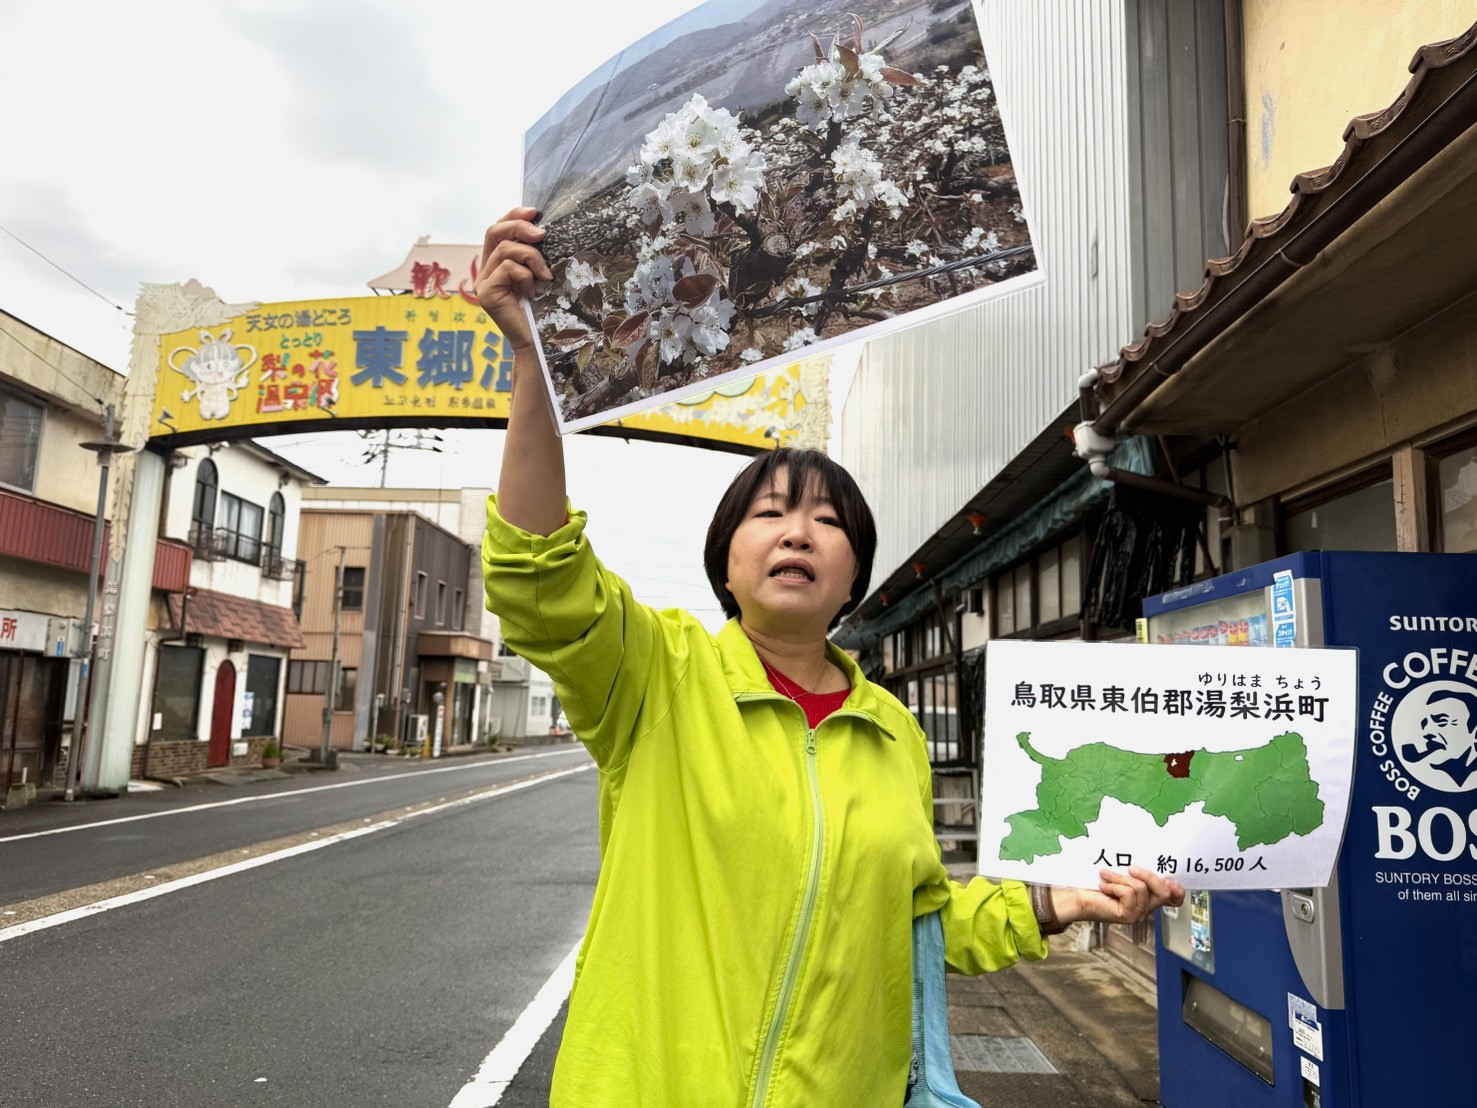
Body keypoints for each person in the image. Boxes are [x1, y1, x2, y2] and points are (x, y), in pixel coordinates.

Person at [475, 207, 1184, 1107]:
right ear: (726, 557)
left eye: (827, 520)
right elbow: (539, 579)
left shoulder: (888, 731)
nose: (797, 531)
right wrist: (531, 359)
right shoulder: (657, 676)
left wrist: (1065, 900)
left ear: (854, 572)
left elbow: (919, 921)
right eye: (768, 513)